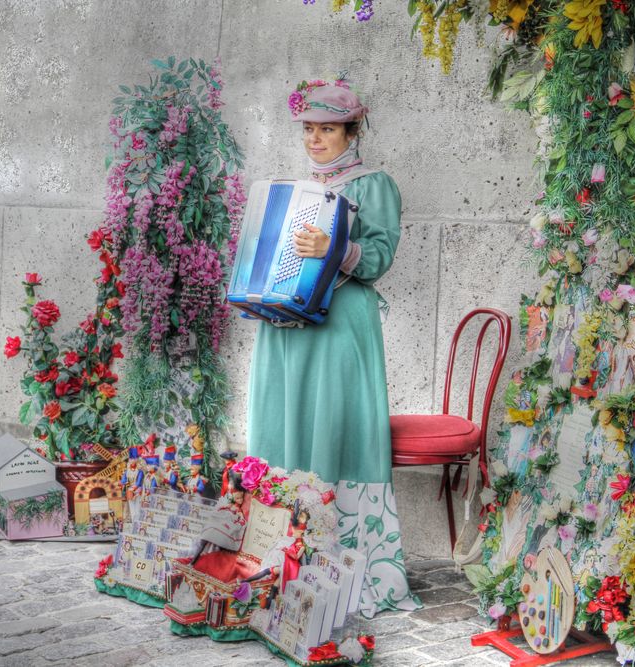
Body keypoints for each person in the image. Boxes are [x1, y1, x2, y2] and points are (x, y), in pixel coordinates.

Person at [247, 77, 420, 617]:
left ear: (352, 130)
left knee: (333, 422)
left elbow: (379, 259)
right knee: (285, 420)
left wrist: (336, 247)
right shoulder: (300, 187)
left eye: (327, 129)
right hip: (286, 326)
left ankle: (342, 567)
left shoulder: (374, 185)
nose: (315, 139)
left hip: (341, 325)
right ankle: (278, 556)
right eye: (309, 129)